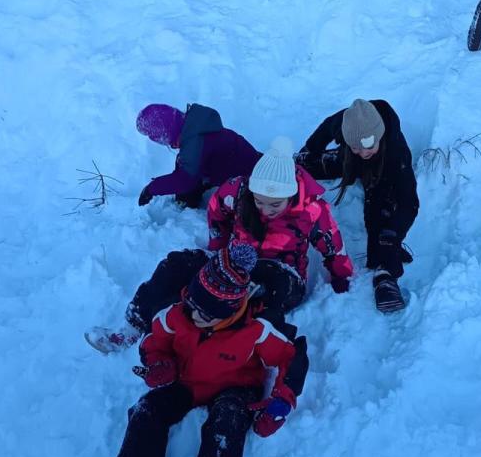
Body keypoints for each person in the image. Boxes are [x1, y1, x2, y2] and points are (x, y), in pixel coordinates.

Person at [80, 242, 309, 457]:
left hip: (235, 386)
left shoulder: (256, 330)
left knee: (228, 421)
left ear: (230, 312)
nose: (195, 315)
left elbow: (291, 356)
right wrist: (159, 364)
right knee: (147, 409)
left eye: (206, 313)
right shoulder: (177, 315)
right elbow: (154, 343)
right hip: (188, 383)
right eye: (193, 304)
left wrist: (281, 401)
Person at [86, 136, 353, 354]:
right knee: (179, 263)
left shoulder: (312, 209)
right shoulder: (238, 190)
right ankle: (134, 326)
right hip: (233, 262)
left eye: (275, 204)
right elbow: (217, 210)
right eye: (259, 201)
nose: (265, 209)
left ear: (291, 193)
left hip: (281, 273)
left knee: (259, 293)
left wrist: (341, 276)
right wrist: (218, 244)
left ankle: (224, 348)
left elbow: (332, 245)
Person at [297, 99, 419, 314]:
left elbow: (408, 202)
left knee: (379, 217)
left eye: (368, 145)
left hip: (382, 172)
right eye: (356, 147)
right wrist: (311, 149)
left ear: (379, 135)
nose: (363, 152)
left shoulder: (396, 153)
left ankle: (385, 277)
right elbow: (328, 127)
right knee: (304, 166)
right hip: (349, 162)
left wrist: (394, 234)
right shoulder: (348, 124)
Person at [135, 102, 258, 208]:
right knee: (185, 174)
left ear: (167, 133)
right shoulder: (194, 126)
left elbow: (184, 180)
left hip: (252, 180)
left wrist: (152, 189)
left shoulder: (194, 143)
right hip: (245, 165)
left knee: (187, 185)